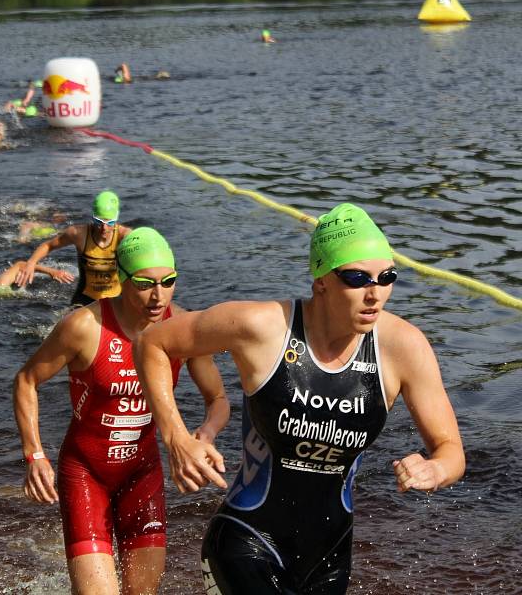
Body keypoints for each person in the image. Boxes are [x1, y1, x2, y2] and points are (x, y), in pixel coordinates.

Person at [133, 203, 465, 594]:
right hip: (247, 542)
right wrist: (176, 437)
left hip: (329, 555)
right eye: (357, 278)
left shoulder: (403, 347)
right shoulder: (263, 327)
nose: (375, 293)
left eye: (386, 277)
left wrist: (437, 470)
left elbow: (451, 450)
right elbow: (152, 343)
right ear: (321, 279)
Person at [13, 227, 230, 595]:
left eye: (168, 281)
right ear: (121, 279)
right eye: (145, 283)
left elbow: (218, 399)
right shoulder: (83, 326)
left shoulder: (183, 328)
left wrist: (204, 434)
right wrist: (34, 454)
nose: (158, 296)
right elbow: (26, 381)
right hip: (86, 473)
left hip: (142, 474)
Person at [15, 191, 132, 306]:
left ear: (116, 219)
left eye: (110, 222)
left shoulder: (125, 236)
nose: (104, 228)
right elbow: (48, 245)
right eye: (99, 221)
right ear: (93, 217)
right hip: (86, 298)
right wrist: (31, 262)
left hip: (117, 299)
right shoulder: (78, 233)